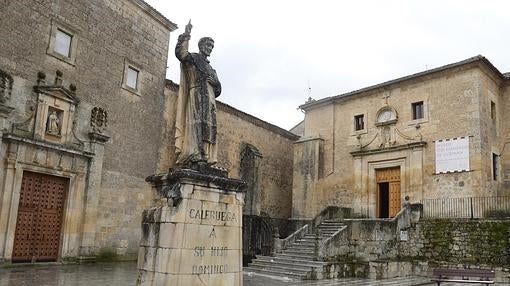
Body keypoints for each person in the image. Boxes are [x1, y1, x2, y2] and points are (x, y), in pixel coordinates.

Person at [174, 20, 221, 166]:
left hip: (210, 101)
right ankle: (195, 153)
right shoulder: (193, 58)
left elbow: (218, 89)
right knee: (196, 125)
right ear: (201, 46)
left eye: (212, 46)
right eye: (208, 45)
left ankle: (206, 156)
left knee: (209, 129)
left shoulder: (211, 69)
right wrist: (186, 35)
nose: (210, 48)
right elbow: (181, 54)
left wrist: (216, 84)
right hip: (196, 97)